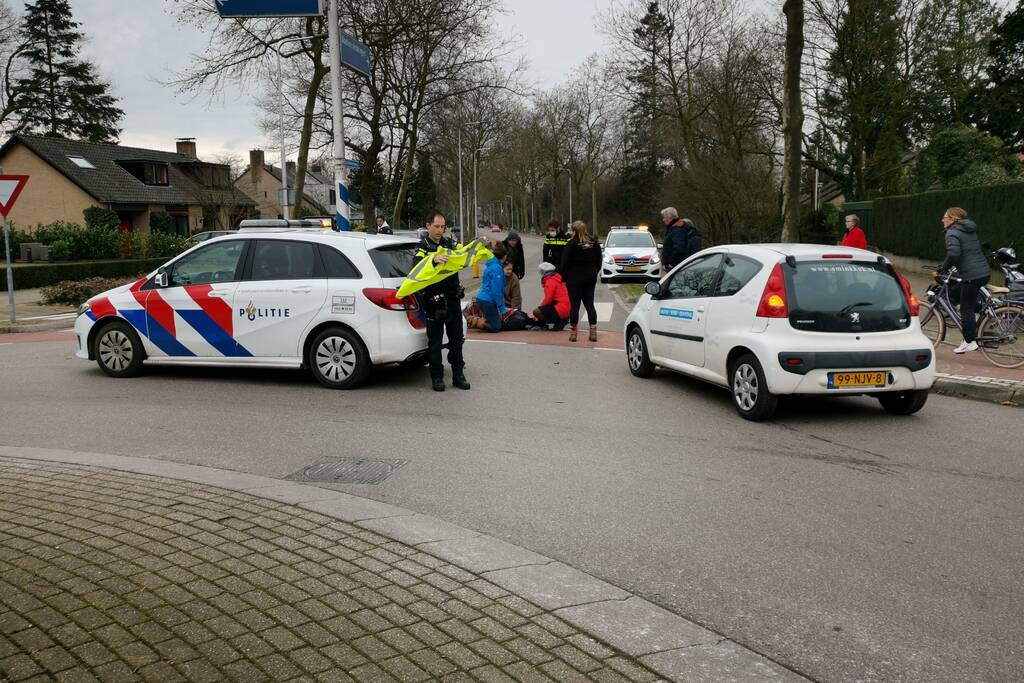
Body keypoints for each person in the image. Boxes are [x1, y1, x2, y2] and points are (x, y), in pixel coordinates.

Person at [416, 211, 469, 391]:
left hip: (452, 298)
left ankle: (458, 375)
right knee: (435, 343)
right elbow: (415, 267)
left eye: (442, 227)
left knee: (456, 340)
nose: (440, 230)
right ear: (428, 226)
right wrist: (433, 259)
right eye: (436, 226)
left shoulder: (449, 243)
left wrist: (477, 248)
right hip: (434, 301)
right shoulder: (423, 246)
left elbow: (463, 253)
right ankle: (437, 377)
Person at [939, 207, 990, 354]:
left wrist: (944, 268)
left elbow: (954, 254)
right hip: (982, 272)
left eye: (944, 217)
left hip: (972, 275)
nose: (942, 220)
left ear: (953, 219)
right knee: (955, 295)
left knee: (965, 308)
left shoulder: (952, 232)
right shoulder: (969, 229)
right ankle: (979, 315)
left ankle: (969, 341)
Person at [560, 220, 602, 342]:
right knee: (590, 305)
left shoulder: (572, 244)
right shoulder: (594, 243)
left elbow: (565, 263)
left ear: (574, 231)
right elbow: (599, 261)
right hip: (590, 277)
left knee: (575, 306)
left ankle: (573, 333)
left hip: (574, 279)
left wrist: (564, 277)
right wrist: (594, 272)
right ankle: (593, 332)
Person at [472, 243, 507, 333]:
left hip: (483, 299)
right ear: (504, 256)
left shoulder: (492, 265)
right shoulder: (497, 269)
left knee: (494, 321)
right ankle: (475, 321)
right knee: (496, 327)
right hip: (488, 301)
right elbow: (496, 291)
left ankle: (481, 321)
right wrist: (502, 308)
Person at [530, 262, 570, 330]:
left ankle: (554, 322)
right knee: (544, 309)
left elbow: (548, 299)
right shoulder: (557, 277)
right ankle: (561, 320)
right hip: (565, 308)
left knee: (536, 312)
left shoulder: (550, 281)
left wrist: (539, 308)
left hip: (560, 308)